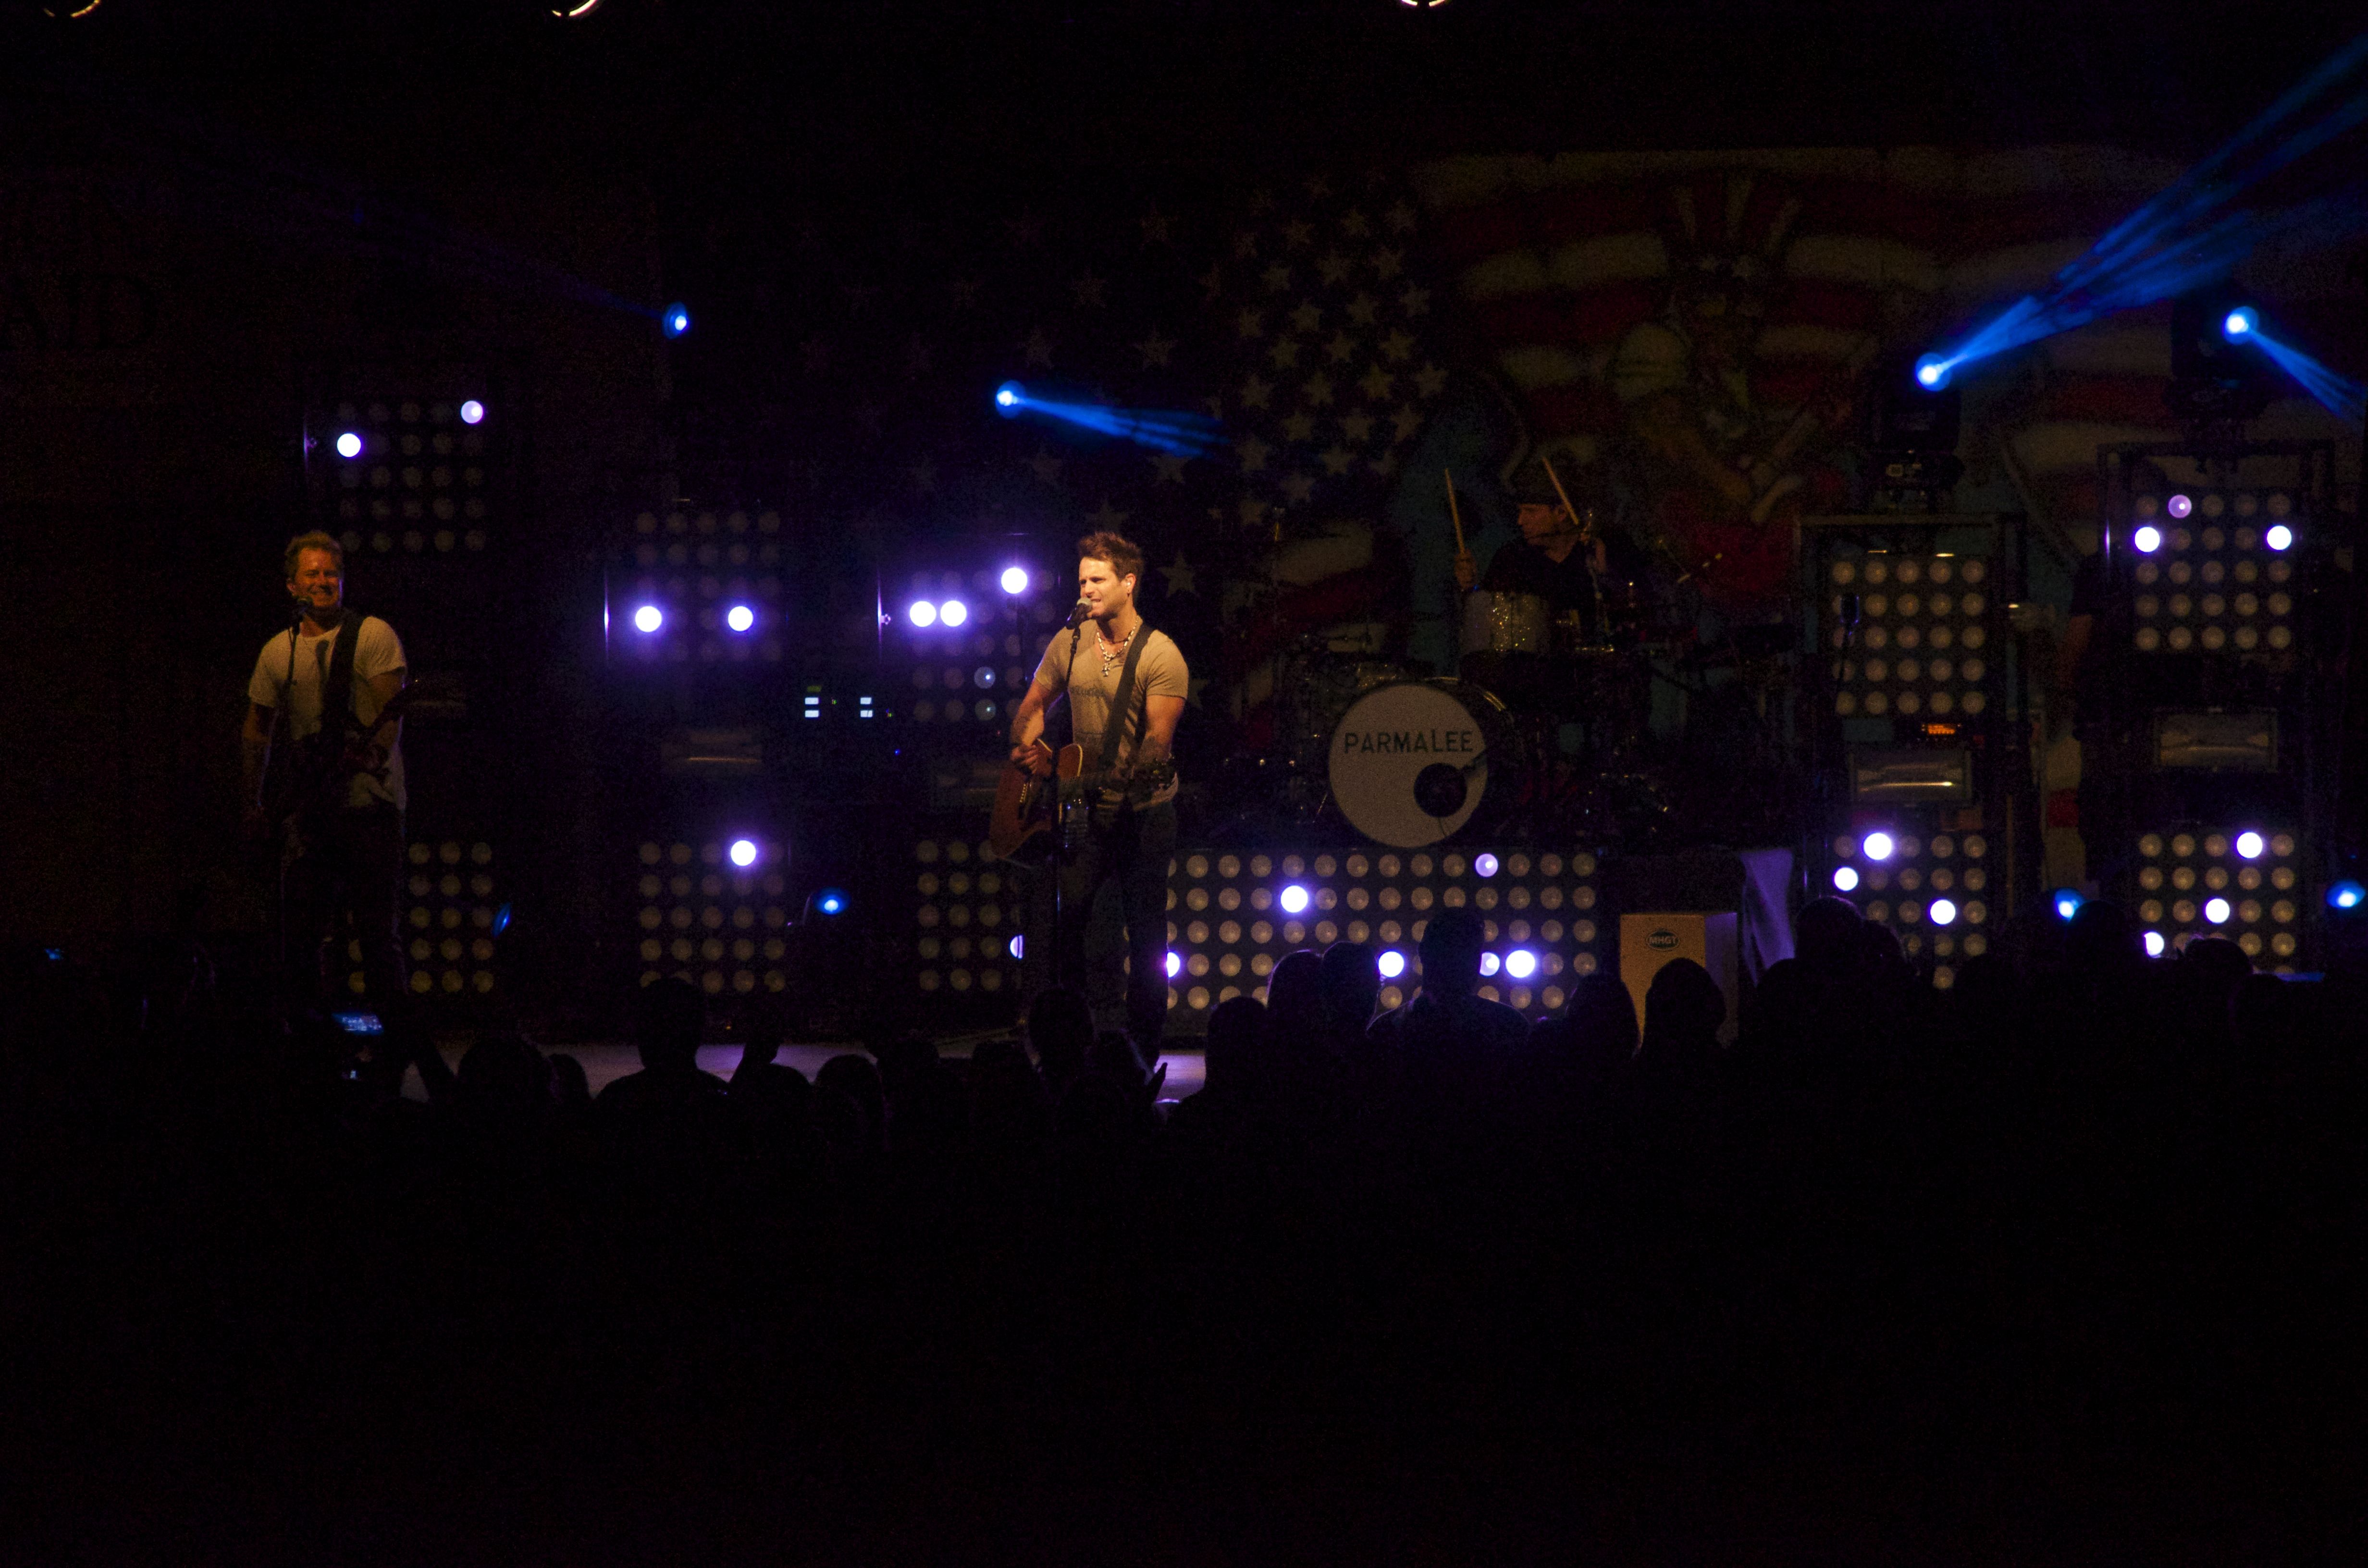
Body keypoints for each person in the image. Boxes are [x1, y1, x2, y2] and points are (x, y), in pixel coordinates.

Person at [1008, 531, 1188, 1053]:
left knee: (1146, 935)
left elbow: (1157, 743)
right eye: (1082, 580)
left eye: (1098, 580)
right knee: (1069, 927)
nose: (1085, 589)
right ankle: (1071, 1043)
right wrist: (1026, 745)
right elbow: (1033, 704)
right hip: (1085, 809)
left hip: (1143, 813)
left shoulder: (1161, 655)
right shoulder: (1070, 642)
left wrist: (1141, 767)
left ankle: (1143, 1050)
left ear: (1128, 584)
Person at [240, 530, 413, 1074]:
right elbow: (257, 729)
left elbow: (390, 713)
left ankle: (398, 1045)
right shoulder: (279, 651)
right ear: (292, 585)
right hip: (312, 813)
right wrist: (254, 801)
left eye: (331, 573)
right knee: (303, 936)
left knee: (377, 937)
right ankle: (312, 1043)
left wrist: (372, 755)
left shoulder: (372, 635)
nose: (323, 582)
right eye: (312, 574)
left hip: (370, 809)